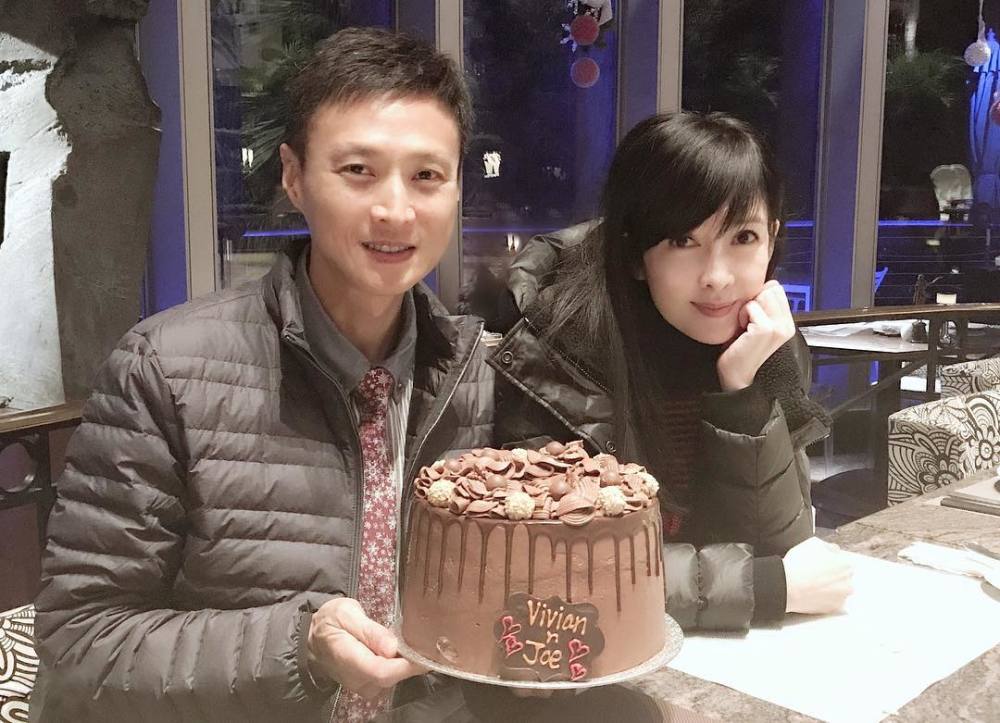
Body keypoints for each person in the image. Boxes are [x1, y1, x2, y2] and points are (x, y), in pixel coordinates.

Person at [31, 27, 493, 723]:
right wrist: (301, 644)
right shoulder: (166, 369)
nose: (396, 209)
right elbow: (80, 638)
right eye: (358, 170)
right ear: (293, 176)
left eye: (427, 176)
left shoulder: (475, 375)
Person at [489, 111, 853, 631]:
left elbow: (782, 546)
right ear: (636, 254)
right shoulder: (561, 353)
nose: (717, 277)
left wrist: (741, 393)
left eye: (744, 237)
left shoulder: (764, 345)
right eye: (683, 241)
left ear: (772, 238)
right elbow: (556, 566)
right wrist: (764, 588)